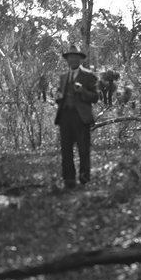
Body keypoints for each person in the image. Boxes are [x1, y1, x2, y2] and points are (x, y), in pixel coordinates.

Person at [54, 45, 99, 188]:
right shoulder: (63, 77)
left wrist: (82, 91)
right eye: (70, 58)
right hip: (65, 116)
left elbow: (95, 97)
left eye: (75, 57)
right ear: (67, 60)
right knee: (66, 149)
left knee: (83, 149)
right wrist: (58, 97)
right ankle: (69, 179)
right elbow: (60, 95)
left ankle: (84, 177)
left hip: (81, 117)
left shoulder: (88, 75)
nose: (72, 60)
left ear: (80, 59)